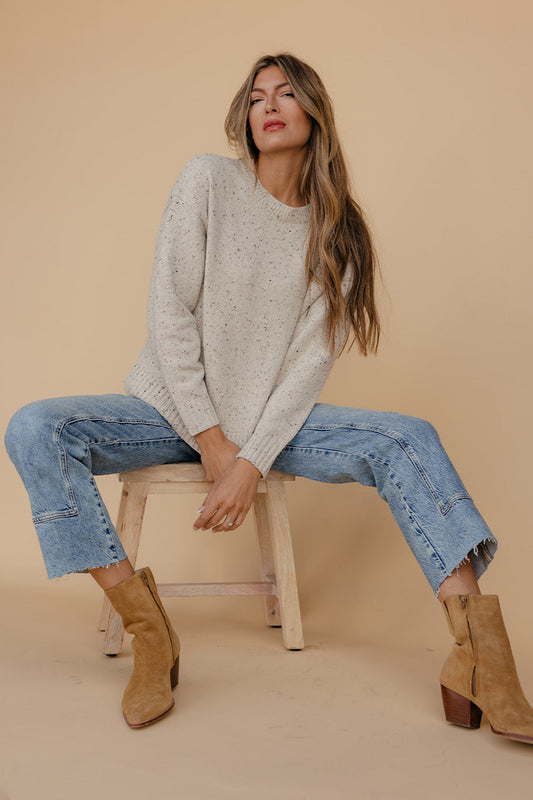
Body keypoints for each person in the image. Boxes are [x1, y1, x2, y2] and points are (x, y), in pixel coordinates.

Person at [4, 52, 533, 741]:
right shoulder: (207, 181)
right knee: (33, 427)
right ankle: (150, 632)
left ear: (314, 113)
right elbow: (169, 315)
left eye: (286, 93)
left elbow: (309, 365)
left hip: (272, 425)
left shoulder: (338, 231)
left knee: (409, 437)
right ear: (245, 116)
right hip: (170, 413)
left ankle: (483, 662)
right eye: (256, 97)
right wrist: (211, 440)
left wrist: (250, 461)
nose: (269, 106)